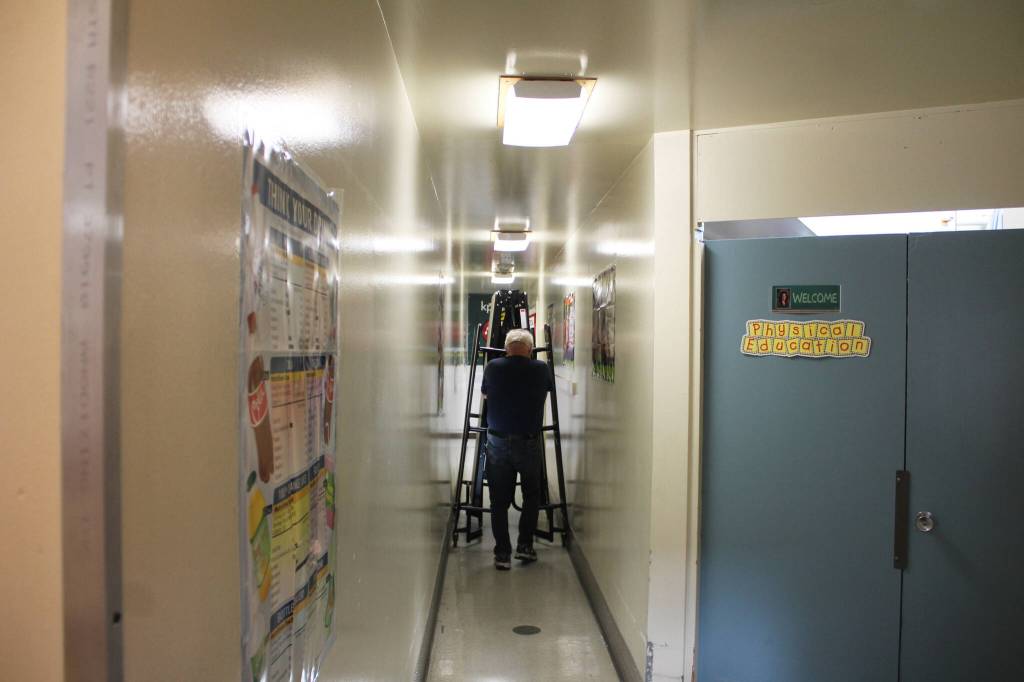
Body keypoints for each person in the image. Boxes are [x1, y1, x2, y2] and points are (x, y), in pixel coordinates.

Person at [481, 327, 553, 570]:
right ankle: (525, 546)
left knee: (498, 500)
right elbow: (546, 392)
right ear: (530, 350)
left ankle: (502, 553)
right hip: (529, 441)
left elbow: (485, 395)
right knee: (532, 495)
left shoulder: (493, 368)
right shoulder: (541, 369)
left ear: (505, 348)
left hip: (497, 441)